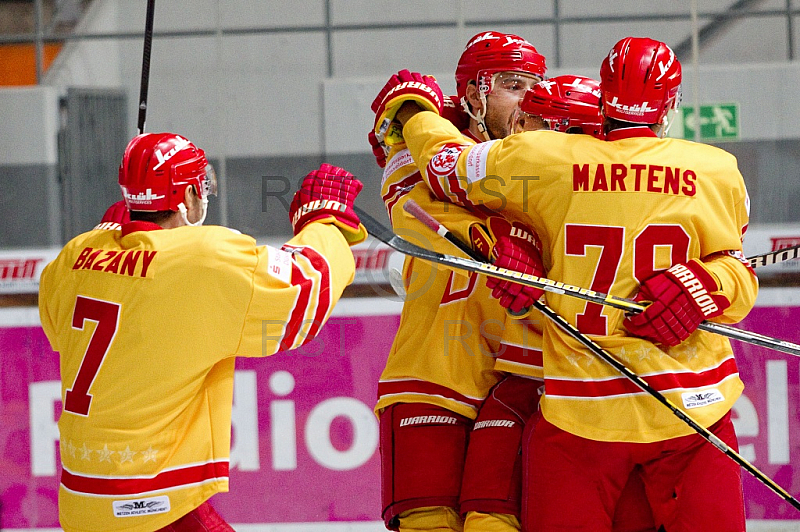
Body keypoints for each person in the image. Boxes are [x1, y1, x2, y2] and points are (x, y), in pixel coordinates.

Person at [377, 36, 758, 532]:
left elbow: (442, 166)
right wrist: (708, 283)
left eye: (540, 111)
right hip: (684, 400)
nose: (526, 121)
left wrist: (414, 113)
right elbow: (737, 268)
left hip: (573, 402)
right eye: (516, 93)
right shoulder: (715, 169)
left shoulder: (543, 160)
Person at [38, 132, 366, 532]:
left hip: (80, 504)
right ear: (188, 196)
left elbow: (59, 329)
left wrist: (115, 229)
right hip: (152, 503)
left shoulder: (76, 255)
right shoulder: (202, 260)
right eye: (199, 185)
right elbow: (303, 291)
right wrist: (325, 221)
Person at [369, 31, 548, 532]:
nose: (528, 99)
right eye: (514, 85)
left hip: (521, 372)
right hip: (433, 370)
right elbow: (414, 214)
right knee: (429, 523)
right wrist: (498, 237)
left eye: (536, 86)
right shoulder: (416, 147)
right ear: (475, 93)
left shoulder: (548, 153)